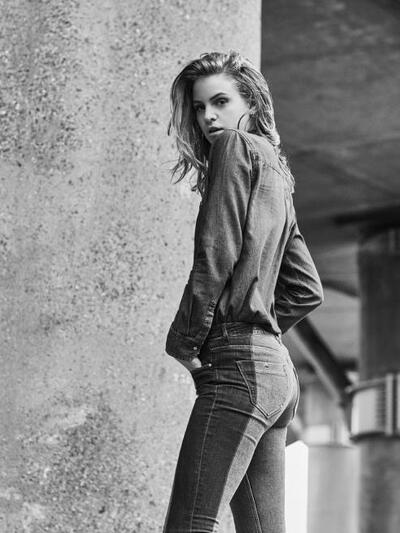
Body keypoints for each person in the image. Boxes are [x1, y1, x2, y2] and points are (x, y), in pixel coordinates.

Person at [163, 51, 324, 533]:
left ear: (250, 103)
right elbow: (306, 288)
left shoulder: (233, 147)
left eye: (220, 102)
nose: (208, 117)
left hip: (238, 369)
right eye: (199, 107)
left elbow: (217, 251)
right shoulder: (277, 171)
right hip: (277, 377)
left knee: (190, 524)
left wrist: (186, 341)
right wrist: (262, 329)